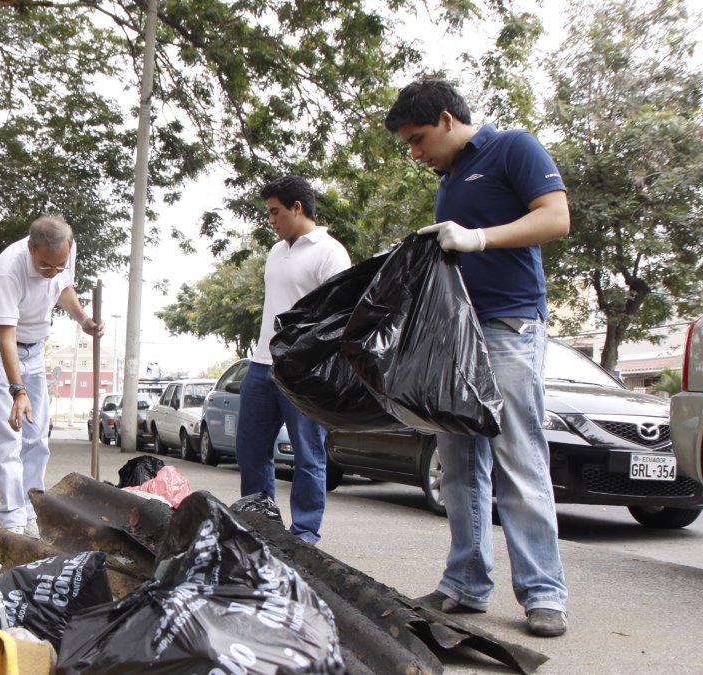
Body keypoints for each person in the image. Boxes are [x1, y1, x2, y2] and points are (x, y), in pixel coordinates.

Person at [384, 79, 571, 637]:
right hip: (456, 335)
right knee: (460, 463)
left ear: (446, 119)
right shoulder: (448, 182)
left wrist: (479, 238)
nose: (415, 153)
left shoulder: (513, 147)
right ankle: (465, 584)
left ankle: (544, 593)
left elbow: (556, 218)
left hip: (509, 327)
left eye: (418, 139)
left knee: (519, 458)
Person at [236, 175, 350, 544]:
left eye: (275, 212)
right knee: (251, 452)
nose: (271, 220)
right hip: (261, 364)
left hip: (302, 371)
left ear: (297, 208)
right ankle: (259, 525)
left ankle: (304, 534)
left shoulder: (330, 253)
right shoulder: (275, 252)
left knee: (308, 454)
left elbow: (339, 316)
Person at [0, 215, 103, 537]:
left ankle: (32, 510)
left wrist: (83, 320)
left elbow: (63, 288)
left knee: (37, 438)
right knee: (8, 438)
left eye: (60, 265)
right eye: (46, 265)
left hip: (35, 350)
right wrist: (18, 392)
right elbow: (7, 337)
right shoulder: (9, 269)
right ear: (32, 248)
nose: (53, 272)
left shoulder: (62, 254)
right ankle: (12, 522)